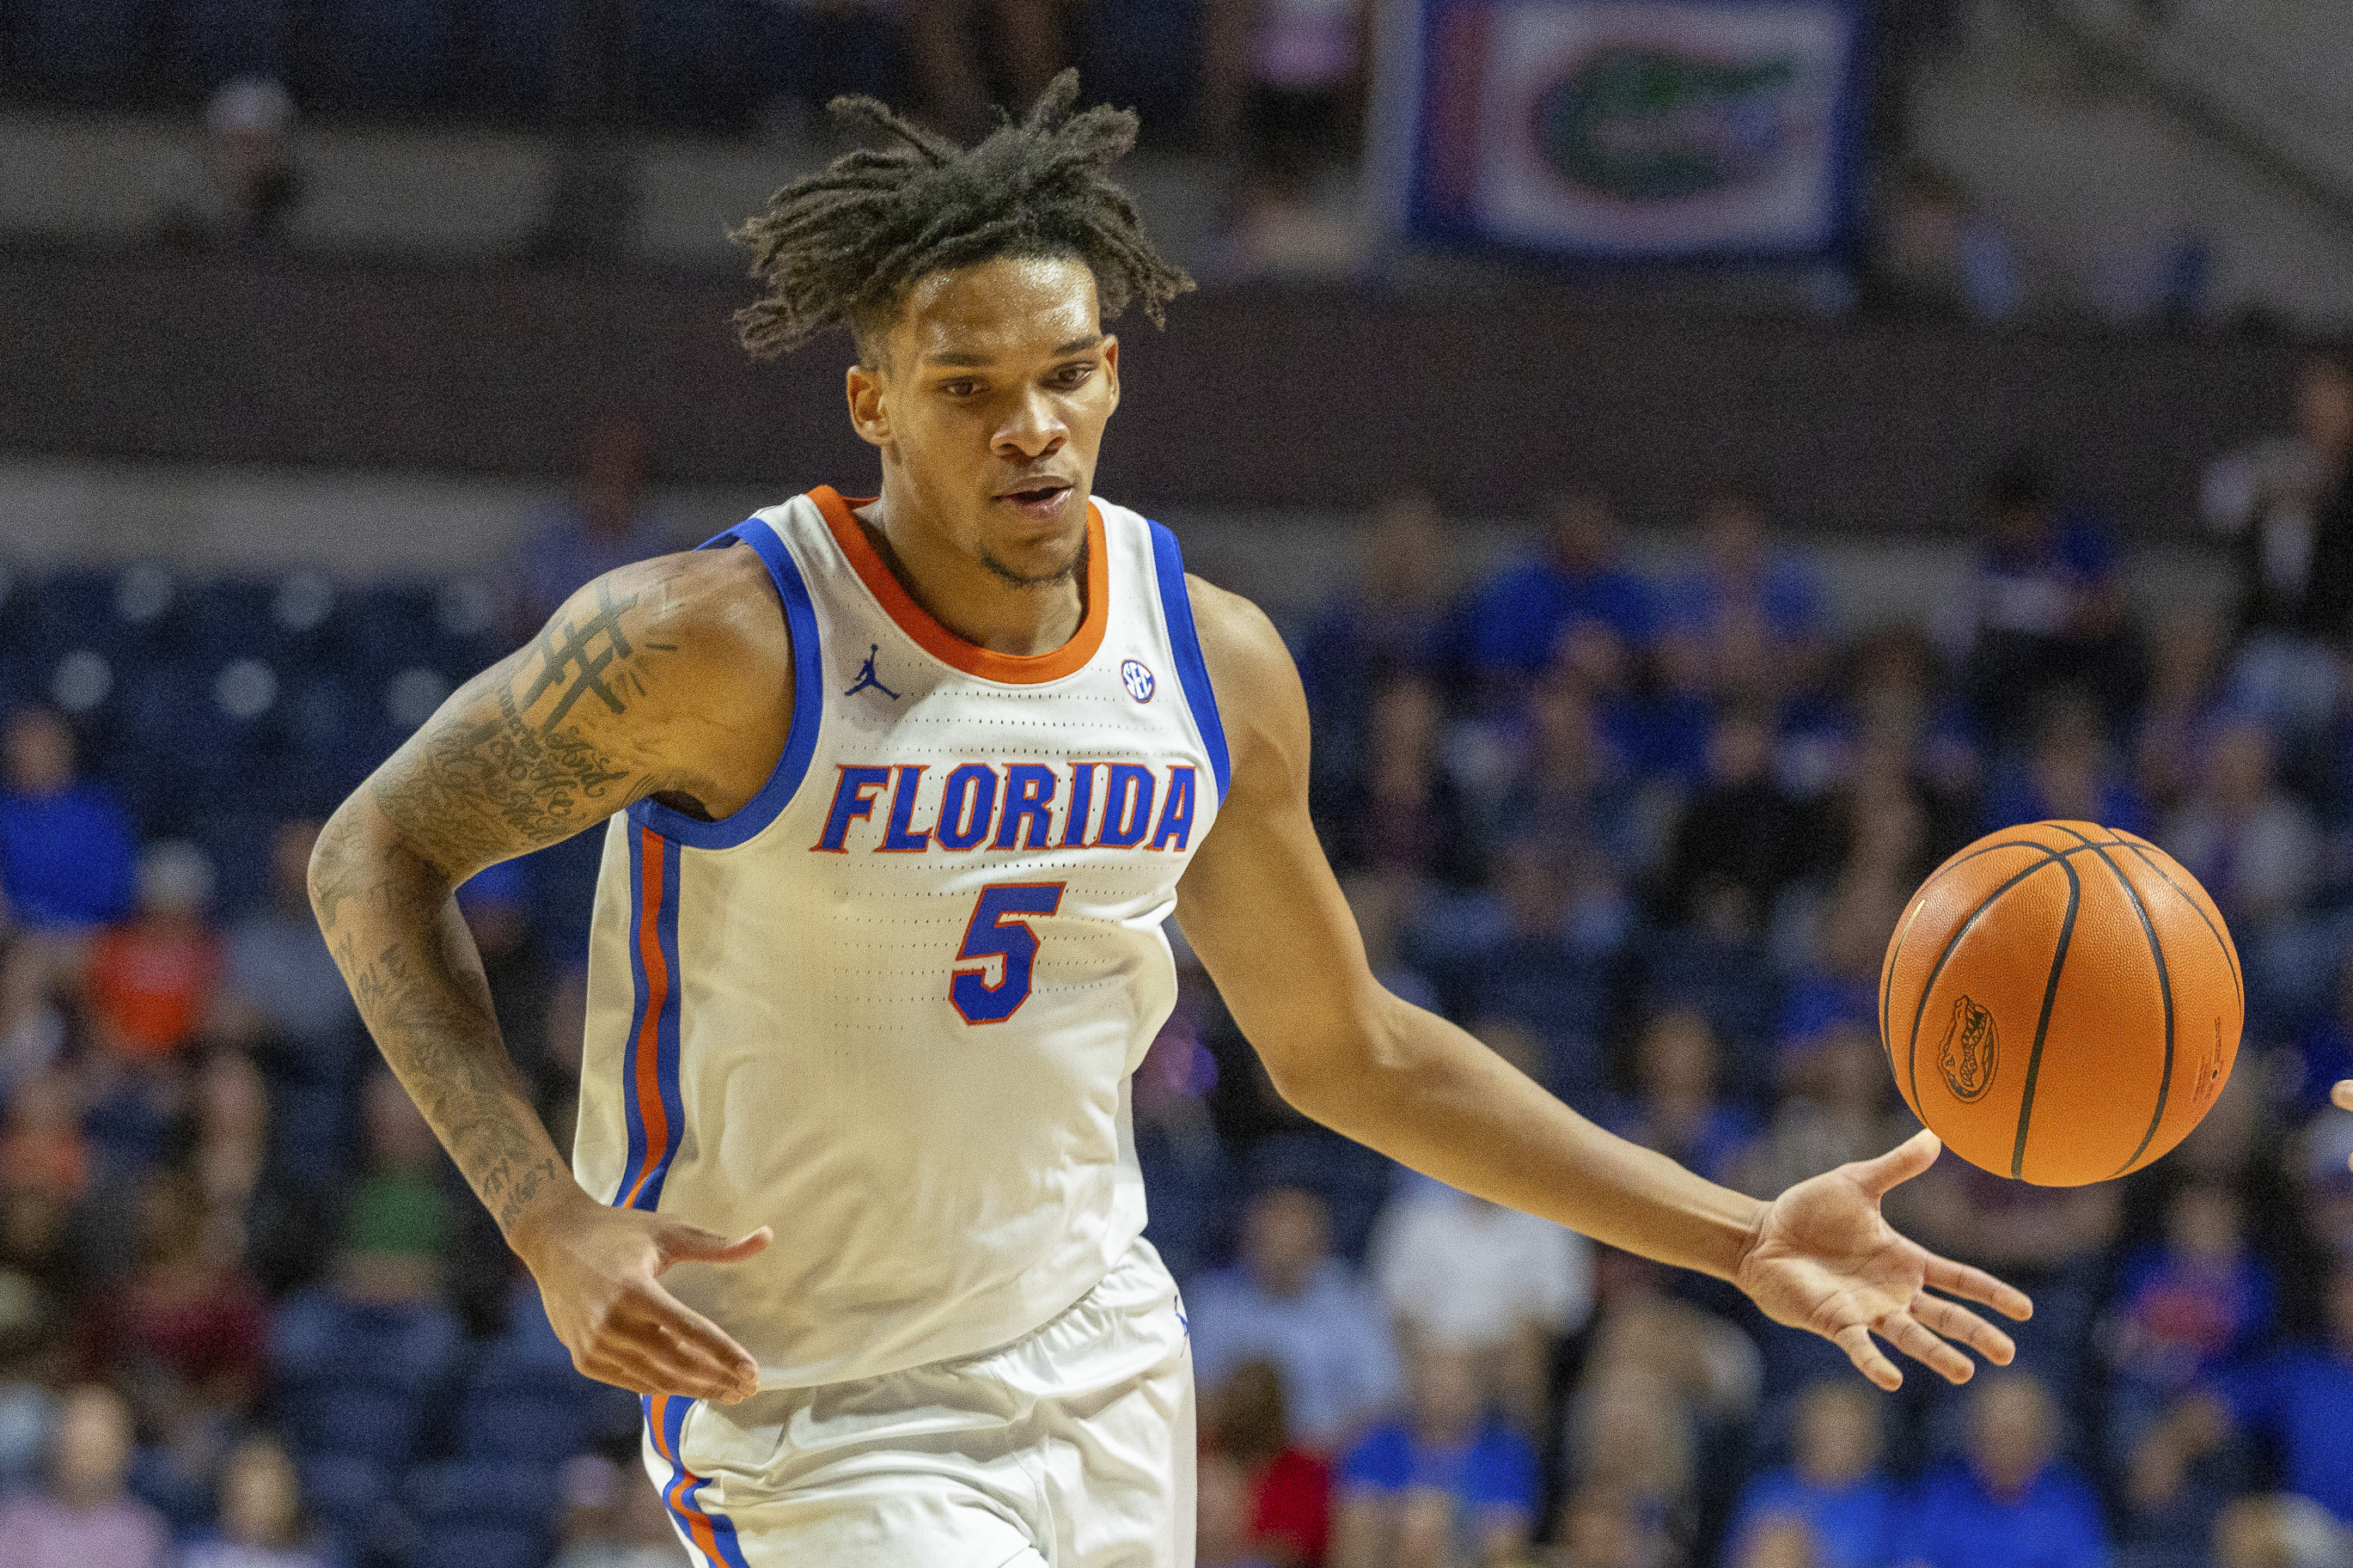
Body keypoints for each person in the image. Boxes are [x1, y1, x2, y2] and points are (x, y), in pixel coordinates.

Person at [308, 74, 2032, 1565]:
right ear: (872, 403)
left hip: (1103, 1358)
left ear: (1113, 377)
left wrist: (1733, 1237)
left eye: (1062, 375)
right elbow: (373, 854)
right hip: (812, 1404)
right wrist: (543, 1215)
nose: (1030, 428)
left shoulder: (1208, 661)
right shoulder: (717, 641)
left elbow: (1351, 1049)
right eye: (967, 388)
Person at [1187, 1185, 1400, 1454]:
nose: (1284, 1247)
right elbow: (1191, 1393)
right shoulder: (1211, 1299)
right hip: (1234, 1457)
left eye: (1295, 1235)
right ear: (1250, 1235)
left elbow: (1381, 1397)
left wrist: (1314, 1450)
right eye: (1274, 1233)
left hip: (1325, 1461)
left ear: (1320, 1242)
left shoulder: (1353, 1301)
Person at [1896, 1373, 2107, 1568]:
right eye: (1995, 1432)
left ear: (2044, 1439)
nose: (2006, 1446)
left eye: (2017, 1433)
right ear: (1972, 1435)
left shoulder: (2071, 1505)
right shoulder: (1938, 1497)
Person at [0, 1383, 168, 1568]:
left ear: (124, 1454)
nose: (84, 1464)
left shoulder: (142, 1531)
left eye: (94, 1450)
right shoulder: (12, 1520)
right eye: (75, 1446)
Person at [0, 706, 137, 935]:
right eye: (23, 740)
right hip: (15, 936)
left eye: (42, 740)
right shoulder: (5, 811)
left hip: (88, 938)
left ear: (65, 747)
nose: (31, 750)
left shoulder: (98, 812)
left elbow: (116, 896)